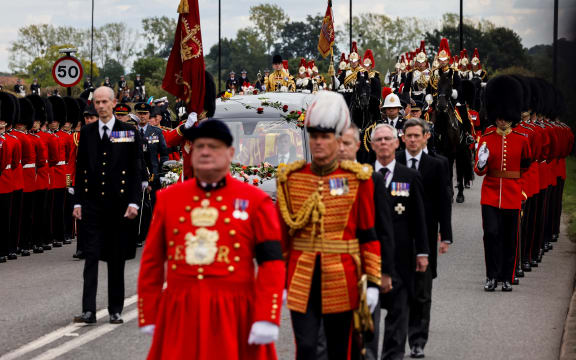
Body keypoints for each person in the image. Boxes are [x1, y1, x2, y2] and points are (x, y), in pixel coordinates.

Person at [138, 119, 285, 359]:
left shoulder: (255, 201)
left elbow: (272, 263)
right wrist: (149, 312)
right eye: (199, 146)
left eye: (213, 146)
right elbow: (152, 262)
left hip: (235, 314)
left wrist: (266, 316)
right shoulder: (168, 200)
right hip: (180, 313)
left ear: (230, 153)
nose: (205, 152)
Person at [277, 91, 381, 360]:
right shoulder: (291, 178)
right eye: (314, 137)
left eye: (325, 137)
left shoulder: (359, 180)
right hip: (301, 276)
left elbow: (368, 234)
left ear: (338, 141)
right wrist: (279, 282)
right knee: (307, 347)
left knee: (339, 349)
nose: (319, 143)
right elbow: (283, 238)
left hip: (342, 276)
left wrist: (372, 282)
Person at [72, 86, 143, 324]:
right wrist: (78, 201)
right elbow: (81, 169)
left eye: (104, 102)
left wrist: (134, 201)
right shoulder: (88, 132)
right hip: (93, 204)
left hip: (118, 204)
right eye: (97, 102)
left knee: (115, 258)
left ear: (114, 103)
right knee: (90, 257)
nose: (100, 106)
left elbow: (135, 169)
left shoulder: (126, 131)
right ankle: (89, 310)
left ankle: (115, 308)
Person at [368, 123, 428, 360]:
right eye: (379, 139)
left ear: (397, 142)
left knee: (397, 318)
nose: (383, 143)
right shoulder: (362, 176)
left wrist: (422, 252)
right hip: (370, 257)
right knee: (368, 322)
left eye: (388, 139)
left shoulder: (410, 177)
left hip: (401, 258)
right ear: (372, 145)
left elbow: (419, 218)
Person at [338, 124, 395, 360]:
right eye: (338, 143)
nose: (341, 149)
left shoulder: (369, 178)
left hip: (364, 267)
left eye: (347, 144)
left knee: (366, 336)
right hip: (333, 271)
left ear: (357, 146)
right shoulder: (319, 176)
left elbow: (382, 230)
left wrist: (383, 273)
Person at [396, 118, 452, 359]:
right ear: (403, 138)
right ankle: (398, 338)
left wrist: (445, 236)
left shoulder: (437, 165)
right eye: (408, 136)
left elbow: (443, 202)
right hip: (398, 238)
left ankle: (418, 340)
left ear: (426, 137)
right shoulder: (394, 162)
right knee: (401, 291)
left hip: (426, 238)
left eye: (417, 136)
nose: (412, 140)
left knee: (422, 292)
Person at [474, 75, 531, 292]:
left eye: (505, 117)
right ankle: (491, 276)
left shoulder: (521, 138)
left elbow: (526, 167)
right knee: (491, 234)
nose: (502, 121)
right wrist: (481, 161)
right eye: (499, 117)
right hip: (490, 194)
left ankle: (507, 277)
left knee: (510, 237)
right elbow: (479, 171)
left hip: (513, 194)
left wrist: (522, 190)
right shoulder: (487, 137)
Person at [134, 102, 169, 246]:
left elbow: (164, 153)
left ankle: (151, 233)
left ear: (149, 116)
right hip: (136, 174)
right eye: (140, 114)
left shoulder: (157, 132)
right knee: (138, 205)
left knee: (151, 205)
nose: (142, 116)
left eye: (145, 114)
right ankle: (138, 235)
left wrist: (160, 171)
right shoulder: (131, 130)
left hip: (153, 174)